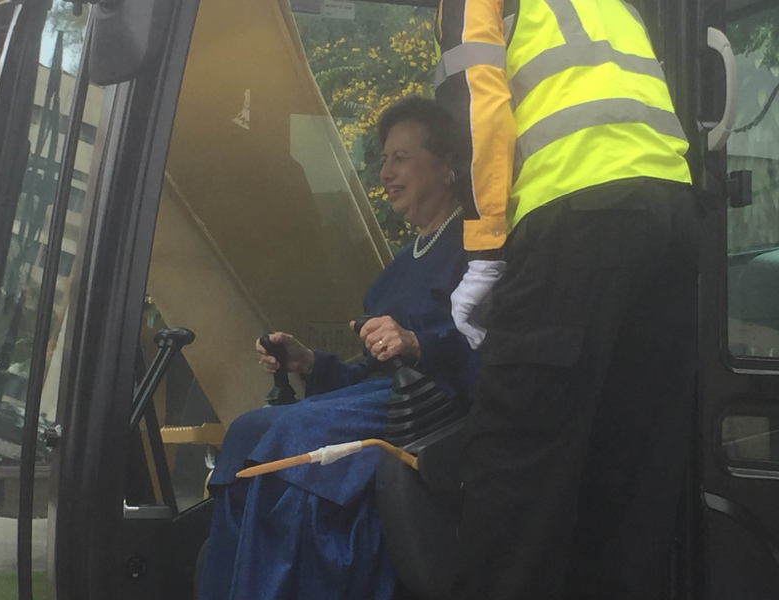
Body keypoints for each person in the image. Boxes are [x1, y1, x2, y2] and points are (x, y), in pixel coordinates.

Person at [433, 1, 699, 598]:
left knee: (516, 464)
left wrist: (484, 250)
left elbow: (479, 109)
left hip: (576, 215)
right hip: (671, 216)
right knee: (628, 470)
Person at [197, 96, 477, 600]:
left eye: (401, 157)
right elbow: (371, 376)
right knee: (250, 427)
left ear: (449, 163)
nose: (386, 172)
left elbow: (489, 350)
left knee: (293, 430)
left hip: (434, 414)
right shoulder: (395, 270)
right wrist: (309, 362)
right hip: (385, 403)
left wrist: (417, 343)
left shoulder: (478, 247)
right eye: (384, 159)